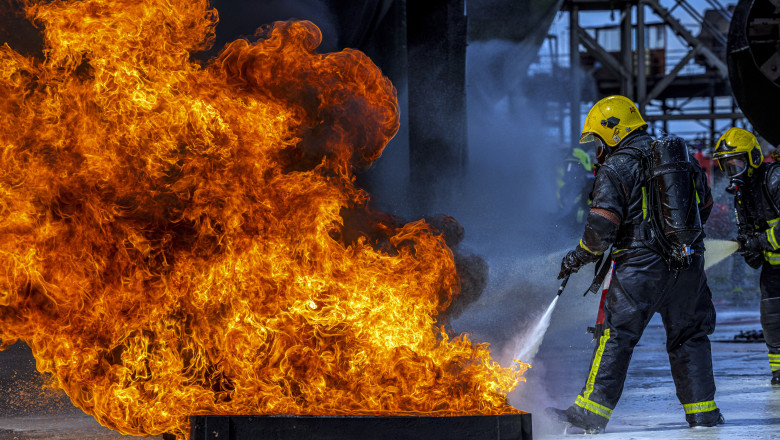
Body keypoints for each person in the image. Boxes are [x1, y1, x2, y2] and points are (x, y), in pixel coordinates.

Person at [547, 95, 722, 433]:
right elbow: (705, 203)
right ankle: (703, 415)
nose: (598, 151)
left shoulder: (617, 165)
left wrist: (578, 256)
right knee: (690, 336)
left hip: (640, 268)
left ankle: (590, 413)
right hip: (688, 264)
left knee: (617, 336)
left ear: (613, 133)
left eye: (598, 142)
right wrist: (677, 241)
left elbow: (601, 227)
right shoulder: (679, 158)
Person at [713, 127, 780, 385]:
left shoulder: (774, 180)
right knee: (772, 323)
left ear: (753, 158)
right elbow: (749, 232)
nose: (733, 172)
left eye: (737, 163)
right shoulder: (742, 195)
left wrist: (760, 241)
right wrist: (747, 247)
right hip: (773, 272)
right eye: (727, 166)